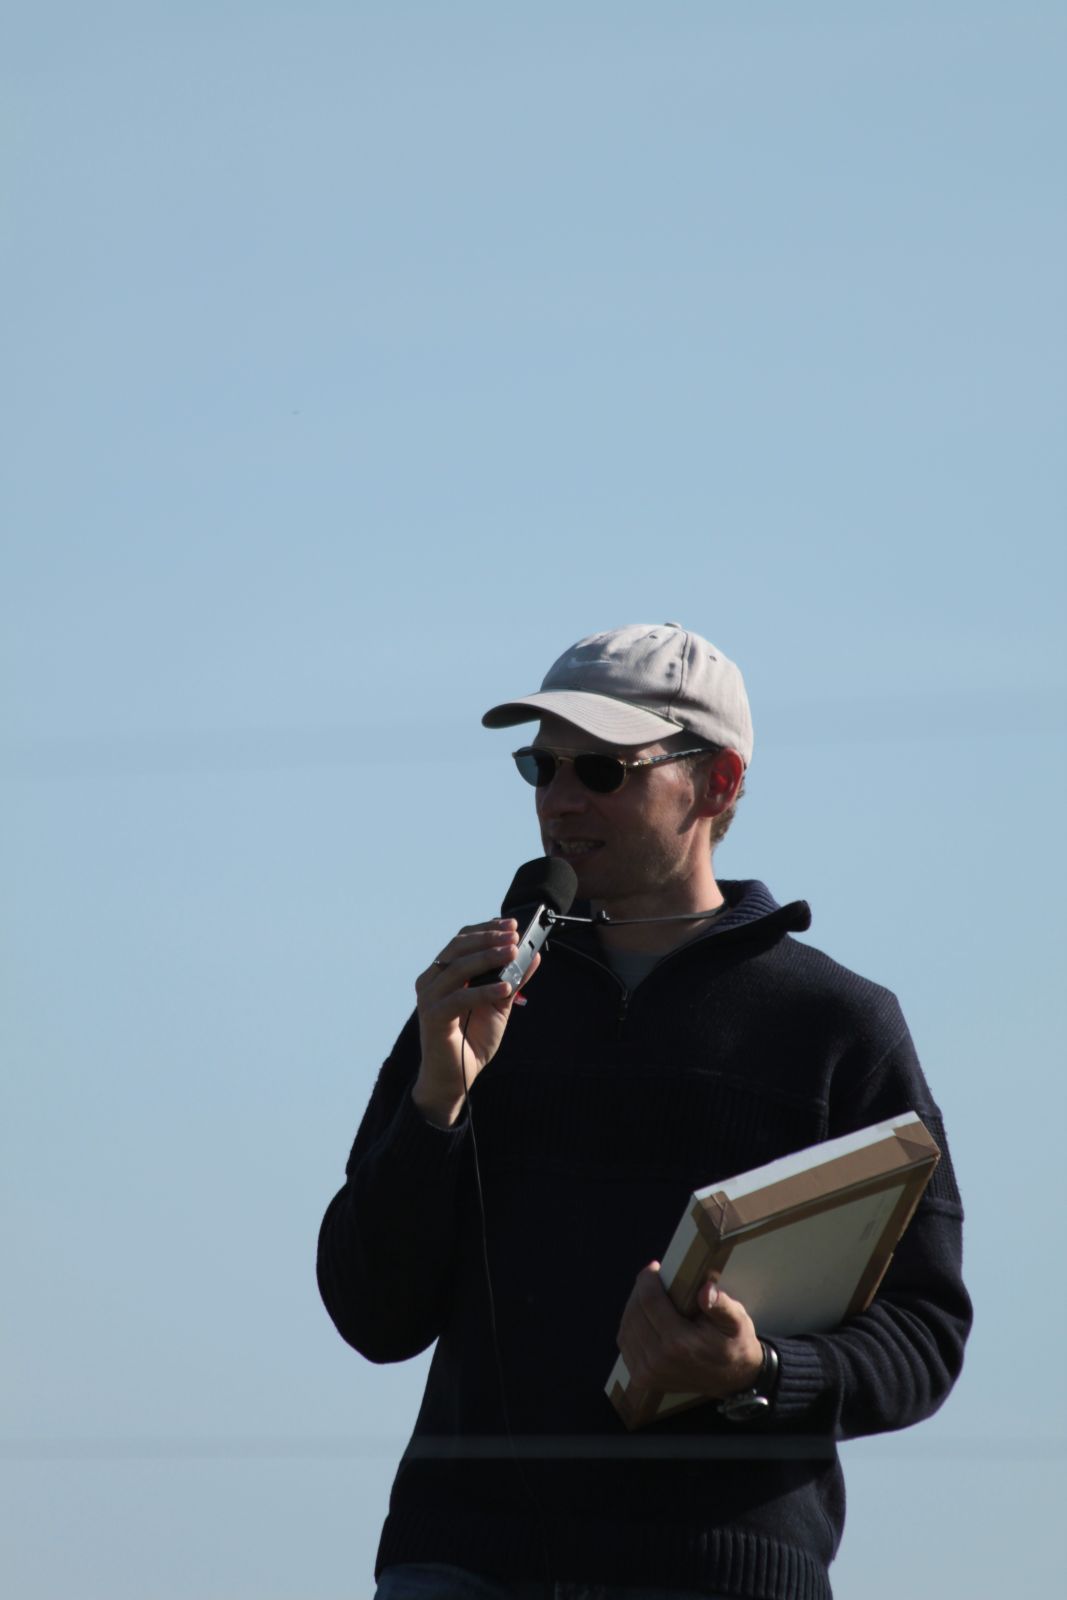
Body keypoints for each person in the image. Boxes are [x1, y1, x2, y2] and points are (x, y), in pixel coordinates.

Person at [317, 622, 971, 1600]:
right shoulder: (471, 1002)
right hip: (459, 1566)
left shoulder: (836, 1025)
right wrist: (435, 1105)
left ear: (718, 783)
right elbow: (371, 1313)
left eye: (601, 769)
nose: (559, 798)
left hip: (714, 1576)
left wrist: (759, 1370)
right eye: (540, 765)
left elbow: (923, 1333)